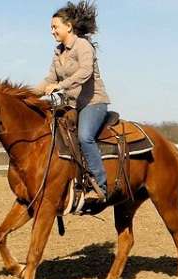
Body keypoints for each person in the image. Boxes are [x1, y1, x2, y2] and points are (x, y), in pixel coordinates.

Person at [35, 1, 111, 201]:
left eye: (55, 27)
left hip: (93, 102)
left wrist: (61, 86)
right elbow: (49, 80)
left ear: (68, 26)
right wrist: (26, 95)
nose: (52, 31)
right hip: (72, 105)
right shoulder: (58, 52)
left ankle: (100, 185)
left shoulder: (83, 45)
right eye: (51, 28)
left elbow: (85, 72)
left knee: (85, 136)